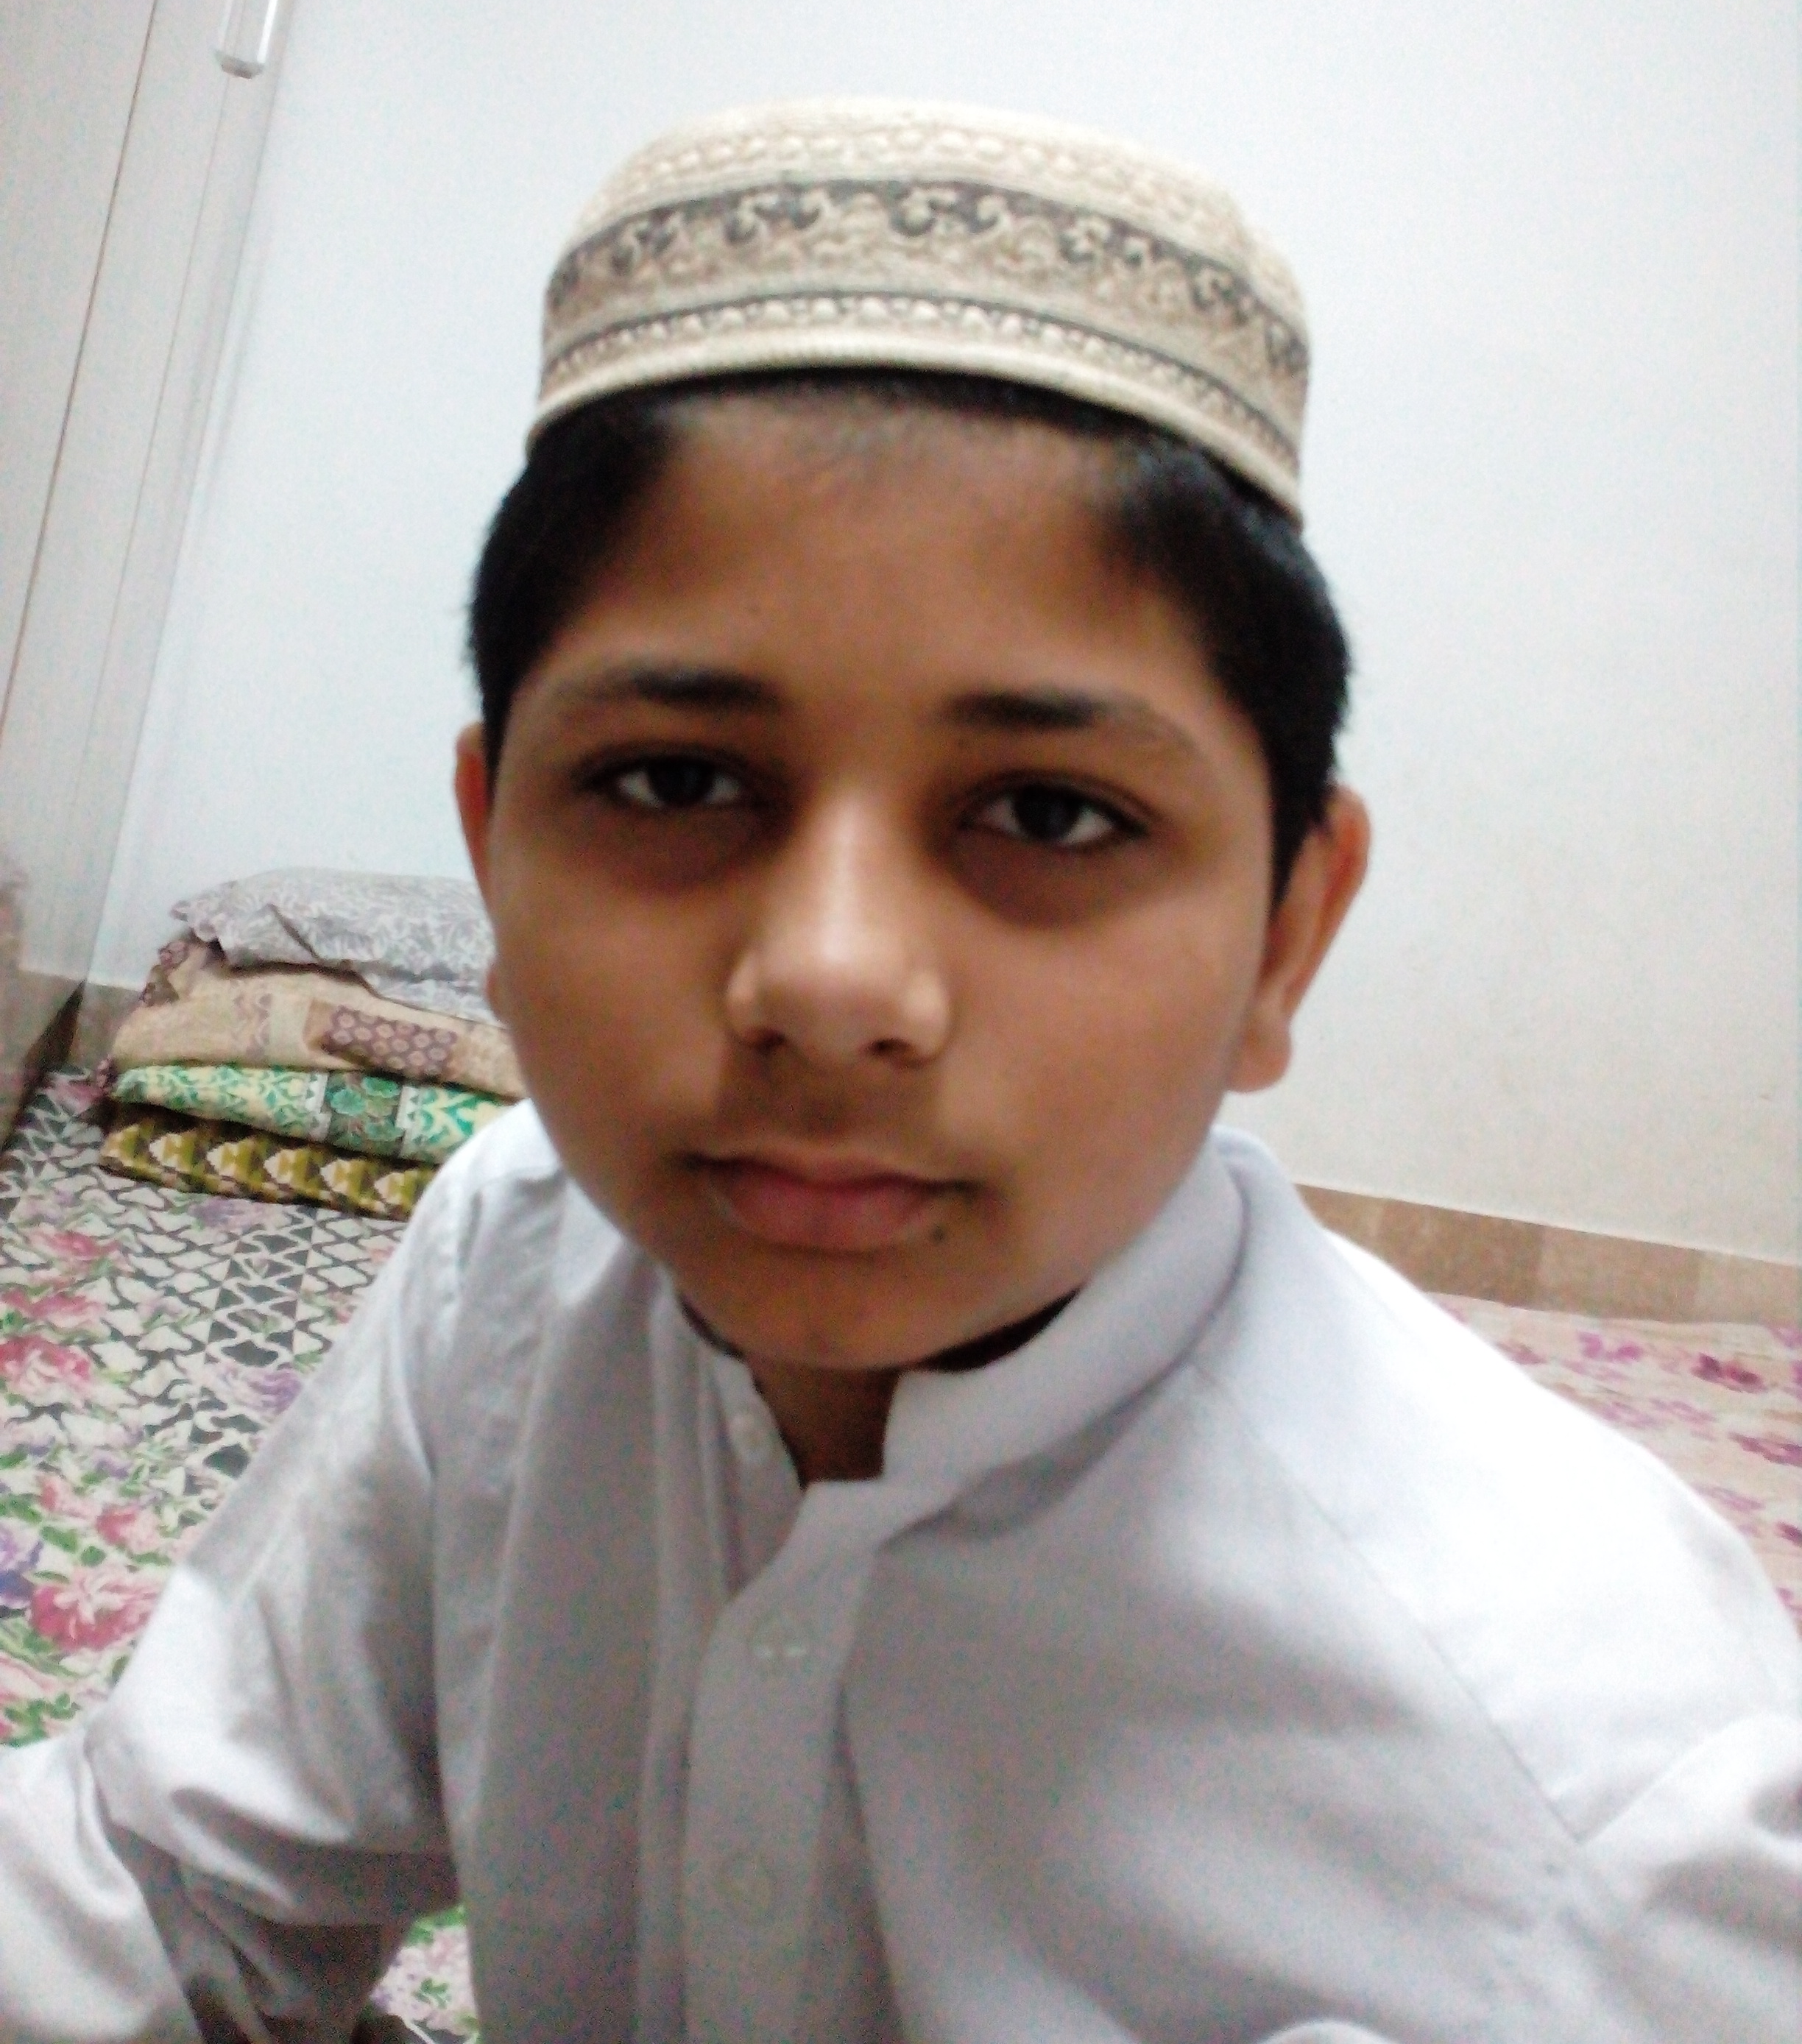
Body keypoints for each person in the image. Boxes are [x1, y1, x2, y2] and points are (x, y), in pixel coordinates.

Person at [1, 101, 1795, 2043]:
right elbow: (171, 1897)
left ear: (1287, 935)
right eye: (675, 781)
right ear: (492, 856)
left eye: (1049, 812)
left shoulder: (1603, 1817)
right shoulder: (513, 1258)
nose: (831, 984)